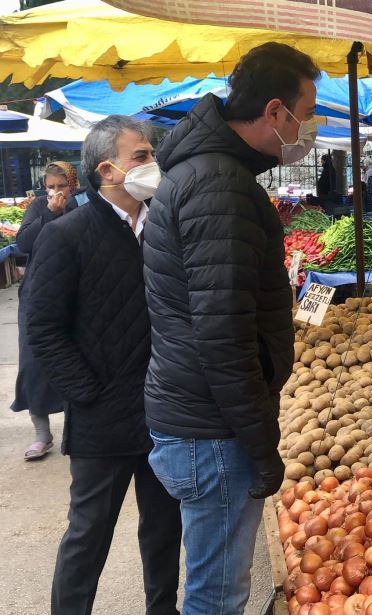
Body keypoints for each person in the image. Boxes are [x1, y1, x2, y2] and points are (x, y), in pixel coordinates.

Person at [142, 42, 314, 614]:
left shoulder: (209, 173)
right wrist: (262, 447)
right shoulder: (221, 187)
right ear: (274, 112)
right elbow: (222, 338)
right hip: (212, 432)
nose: (307, 128)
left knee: (213, 588)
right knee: (217, 598)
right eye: (306, 114)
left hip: (198, 419)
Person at [25, 116, 181, 615]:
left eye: (151, 154)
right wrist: (87, 393)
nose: (152, 163)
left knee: (164, 527)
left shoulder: (163, 225)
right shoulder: (67, 235)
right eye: (142, 156)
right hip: (102, 416)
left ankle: (163, 608)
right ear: (107, 170)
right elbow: (43, 328)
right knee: (89, 532)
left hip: (164, 411)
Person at [12, 161, 77, 460]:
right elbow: (23, 244)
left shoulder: (83, 207)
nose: (54, 192)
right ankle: (41, 434)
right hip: (37, 293)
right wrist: (49, 213)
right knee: (32, 362)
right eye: (50, 186)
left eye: (60, 186)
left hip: (74, 293)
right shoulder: (38, 207)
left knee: (75, 361)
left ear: (72, 186)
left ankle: (76, 430)